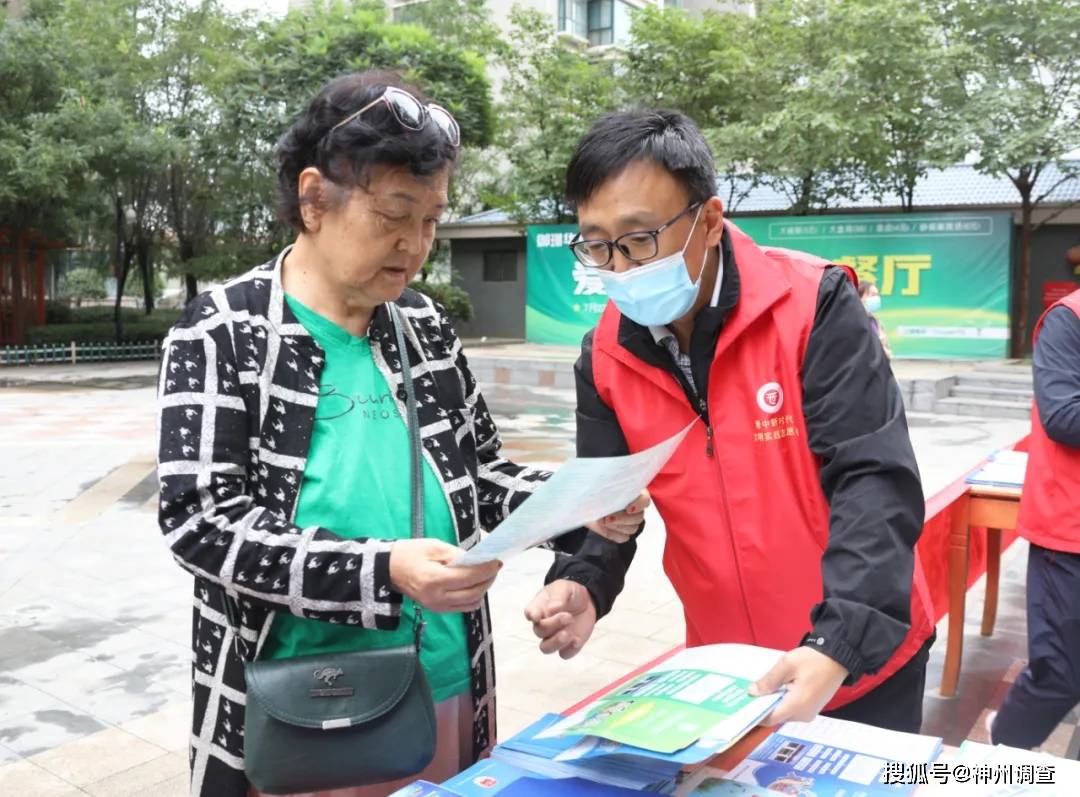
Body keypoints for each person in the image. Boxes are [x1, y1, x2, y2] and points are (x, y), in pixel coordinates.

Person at [156, 71, 641, 797]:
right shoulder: (225, 330)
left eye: (432, 220)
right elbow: (201, 523)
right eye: (395, 214)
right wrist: (383, 569)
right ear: (314, 199)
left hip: (438, 682)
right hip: (300, 703)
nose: (416, 244)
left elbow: (478, 478)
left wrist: (577, 502)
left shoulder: (422, 325)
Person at [525, 110, 935, 734]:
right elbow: (609, 504)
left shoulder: (812, 306)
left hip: (859, 658)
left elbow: (874, 479)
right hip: (726, 675)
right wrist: (582, 581)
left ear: (709, 221)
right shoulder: (605, 356)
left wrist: (839, 643)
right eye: (598, 244)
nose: (621, 266)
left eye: (639, 238)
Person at [990, 286, 1080, 752]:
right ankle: (1000, 755)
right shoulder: (1070, 319)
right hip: (1070, 529)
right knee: (1059, 674)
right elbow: (1063, 414)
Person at [858, 280, 892, 358]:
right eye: (872, 295)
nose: (876, 298)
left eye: (877, 294)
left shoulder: (876, 321)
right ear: (859, 297)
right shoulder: (854, 322)